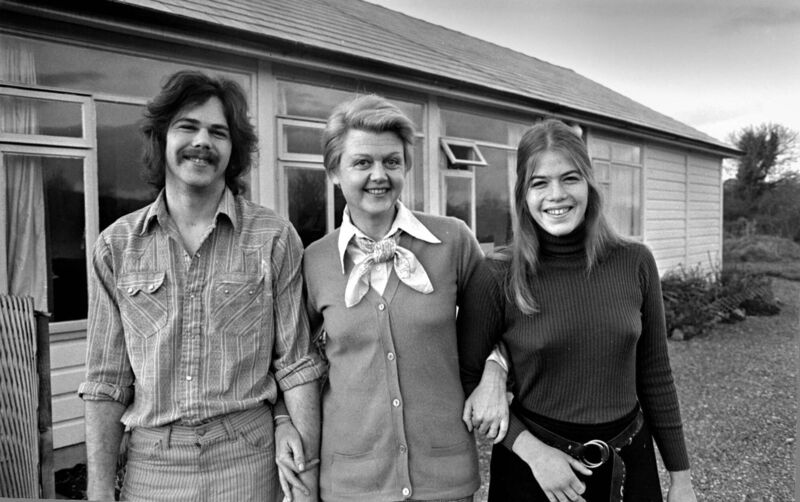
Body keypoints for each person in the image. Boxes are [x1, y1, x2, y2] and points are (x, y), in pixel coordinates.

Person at [78, 70, 324, 502]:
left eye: (218, 132)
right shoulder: (116, 247)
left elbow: (296, 365)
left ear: (234, 149)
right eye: (187, 127)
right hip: (152, 467)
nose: (202, 142)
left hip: (248, 458)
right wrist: (99, 492)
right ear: (161, 139)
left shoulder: (273, 237)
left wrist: (306, 482)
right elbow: (105, 382)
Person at [274, 94, 509, 502]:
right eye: (362, 162)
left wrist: (496, 371)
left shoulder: (452, 240)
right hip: (351, 483)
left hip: (444, 479)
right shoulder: (312, 261)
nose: (379, 175)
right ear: (334, 171)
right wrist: (282, 421)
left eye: (392, 162)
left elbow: (505, 323)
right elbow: (291, 360)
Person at [457, 119, 698, 502]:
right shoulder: (497, 275)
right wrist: (533, 453)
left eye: (569, 178)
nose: (556, 195)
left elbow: (655, 373)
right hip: (536, 475)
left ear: (589, 183)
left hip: (629, 464)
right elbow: (463, 376)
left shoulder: (634, 262)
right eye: (540, 183)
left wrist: (681, 479)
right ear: (523, 193)